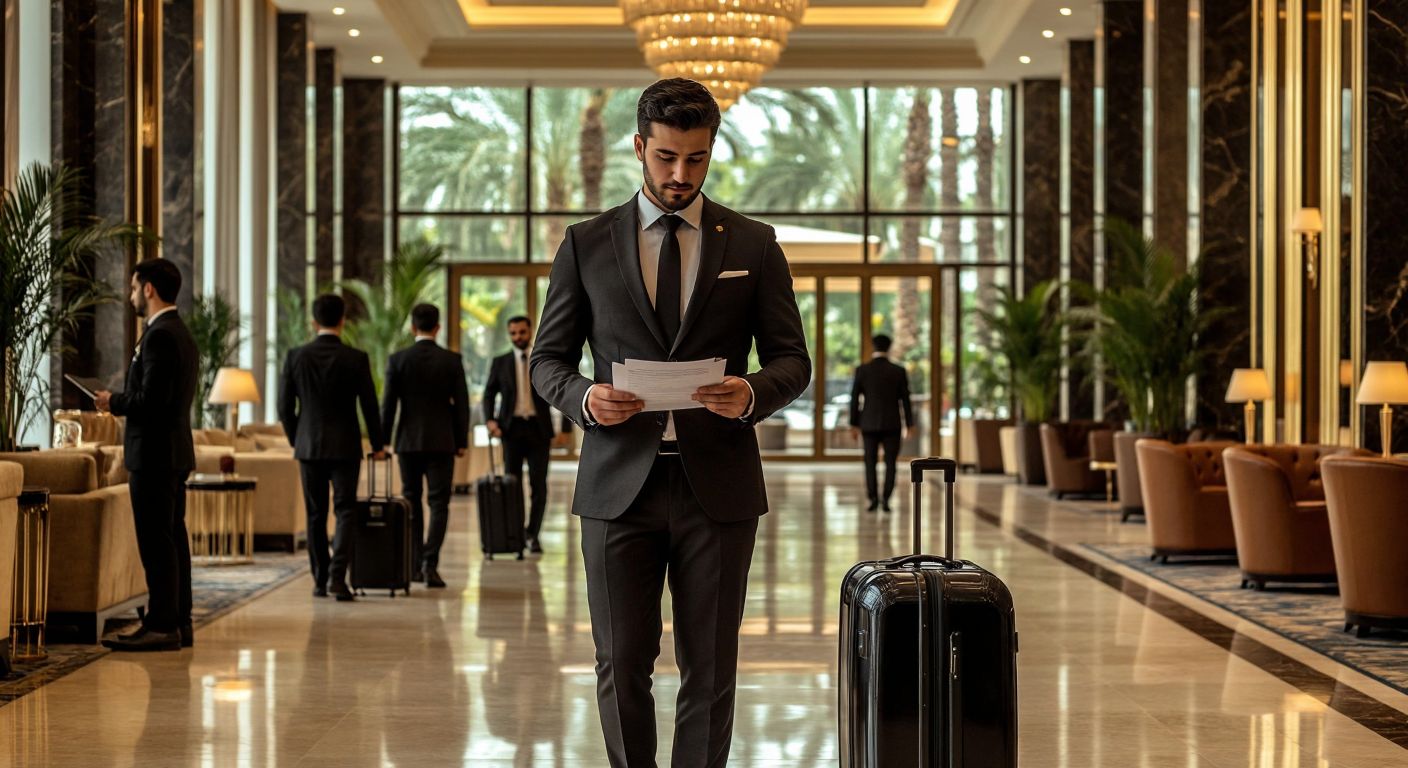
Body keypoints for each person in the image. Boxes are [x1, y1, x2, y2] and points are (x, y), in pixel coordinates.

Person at [530, 78, 810, 768]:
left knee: (711, 666)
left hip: (717, 488)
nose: (680, 174)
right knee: (620, 660)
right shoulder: (585, 244)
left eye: (696, 158)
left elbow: (792, 361)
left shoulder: (754, 242)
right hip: (616, 485)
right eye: (665, 158)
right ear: (638, 148)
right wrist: (584, 399)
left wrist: (749, 392)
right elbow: (548, 361)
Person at [95, 258, 198, 652]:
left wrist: (112, 401)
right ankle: (178, 621)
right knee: (172, 539)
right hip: (171, 453)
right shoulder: (179, 332)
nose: (131, 295)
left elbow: (152, 400)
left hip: (154, 455)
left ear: (150, 289)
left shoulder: (160, 336)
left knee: (157, 543)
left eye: (135, 287)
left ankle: (161, 625)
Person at [278, 293, 385, 602]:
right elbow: (369, 406)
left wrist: (297, 438)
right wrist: (378, 445)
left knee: (315, 514)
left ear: (313, 322)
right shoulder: (356, 358)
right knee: (345, 510)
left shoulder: (296, 356)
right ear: (343, 321)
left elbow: (284, 407)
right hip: (345, 447)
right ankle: (339, 577)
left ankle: (319, 579)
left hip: (309, 447)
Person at [380, 303, 469, 587]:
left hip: (407, 442)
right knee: (439, 503)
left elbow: (388, 405)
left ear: (412, 327)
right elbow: (462, 405)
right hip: (442, 441)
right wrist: (461, 440)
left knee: (412, 500)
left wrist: (382, 441)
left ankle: (415, 563)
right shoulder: (451, 360)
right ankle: (431, 562)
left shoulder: (398, 360)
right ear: (438, 327)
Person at [481, 315, 570, 554]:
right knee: (512, 483)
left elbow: (561, 391)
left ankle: (533, 533)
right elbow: (488, 393)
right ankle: (516, 532)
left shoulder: (543, 360)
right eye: (513, 333)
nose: (517, 337)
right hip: (510, 430)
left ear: (530, 331)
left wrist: (566, 428)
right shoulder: (500, 362)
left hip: (538, 430)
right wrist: (490, 420)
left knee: (538, 485)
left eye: (521, 332)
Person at [849, 334, 915, 513]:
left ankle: (872, 499)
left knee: (869, 462)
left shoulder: (863, 370)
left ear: (873, 347)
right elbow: (906, 400)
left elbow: (855, 399)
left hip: (868, 423)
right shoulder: (898, 371)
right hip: (892, 424)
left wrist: (853, 424)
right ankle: (886, 499)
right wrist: (910, 424)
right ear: (889, 347)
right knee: (890, 463)